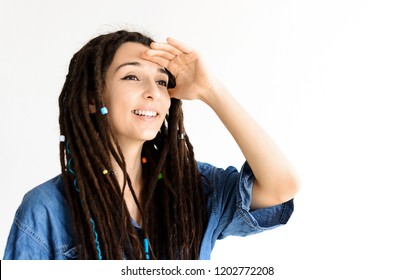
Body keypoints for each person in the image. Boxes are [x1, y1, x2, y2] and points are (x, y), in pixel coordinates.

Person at [3, 30, 299, 260]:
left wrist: (211, 90)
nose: (153, 93)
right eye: (132, 76)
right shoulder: (46, 209)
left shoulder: (197, 188)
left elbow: (281, 186)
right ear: (93, 99)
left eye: (161, 81)